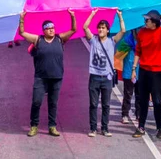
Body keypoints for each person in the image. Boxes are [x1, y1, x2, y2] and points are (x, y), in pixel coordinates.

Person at [20, 9, 77, 137]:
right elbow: (22, 32)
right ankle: (34, 125)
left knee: (53, 103)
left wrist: (72, 16)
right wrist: (22, 18)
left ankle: (52, 126)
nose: (51, 30)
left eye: (53, 27)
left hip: (56, 78)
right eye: (48, 28)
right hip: (41, 78)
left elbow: (73, 30)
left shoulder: (60, 39)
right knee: (36, 102)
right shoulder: (37, 40)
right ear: (43, 30)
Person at [131, 7, 161, 139]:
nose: (145, 21)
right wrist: (134, 68)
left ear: (154, 22)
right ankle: (141, 127)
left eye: (148, 20)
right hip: (144, 70)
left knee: (157, 101)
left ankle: (159, 128)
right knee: (143, 100)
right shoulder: (142, 33)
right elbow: (138, 51)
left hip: (157, 71)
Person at [83, 8, 126, 137]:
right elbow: (85, 27)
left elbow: (123, 30)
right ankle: (93, 128)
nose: (101, 29)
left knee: (106, 104)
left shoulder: (112, 41)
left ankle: (105, 128)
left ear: (108, 30)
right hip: (94, 77)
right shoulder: (93, 40)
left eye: (103, 27)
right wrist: (92, 14)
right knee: (93, 104)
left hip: (106, 77)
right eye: (99, 27)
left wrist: (120, 16)